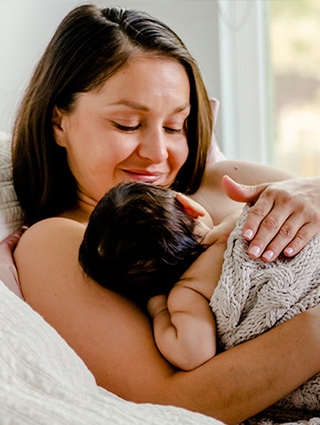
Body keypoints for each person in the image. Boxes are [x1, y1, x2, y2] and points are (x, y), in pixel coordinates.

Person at [10, 4, 320, 424]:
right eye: (126, 124)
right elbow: (167, 404)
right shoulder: (62, 242)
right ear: (58, 120)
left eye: (176, 126)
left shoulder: (230, 179)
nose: (158, 155)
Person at [79, 181, 235, 371]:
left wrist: (159, 311)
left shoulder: (188, 293)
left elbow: (192, 353)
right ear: (189, 205)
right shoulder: (243, 222)